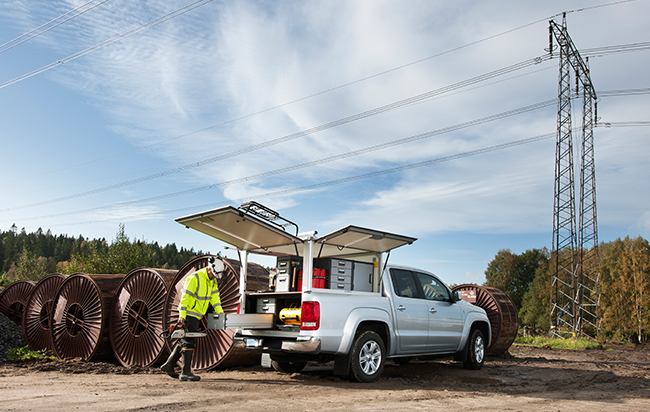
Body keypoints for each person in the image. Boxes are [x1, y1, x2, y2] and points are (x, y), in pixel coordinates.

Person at [160, 256, 226, 381]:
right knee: (189, 342)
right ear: (210, 269)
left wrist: (220, 313)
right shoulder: (195, 278)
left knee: (184, 341)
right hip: (189, 314)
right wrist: (182, 316)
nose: (215, 278)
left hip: (197, 315)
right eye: (215, 275)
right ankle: (185, 373)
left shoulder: (212, 281)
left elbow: (215, 298)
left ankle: (168, 365)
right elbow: (185, 298)